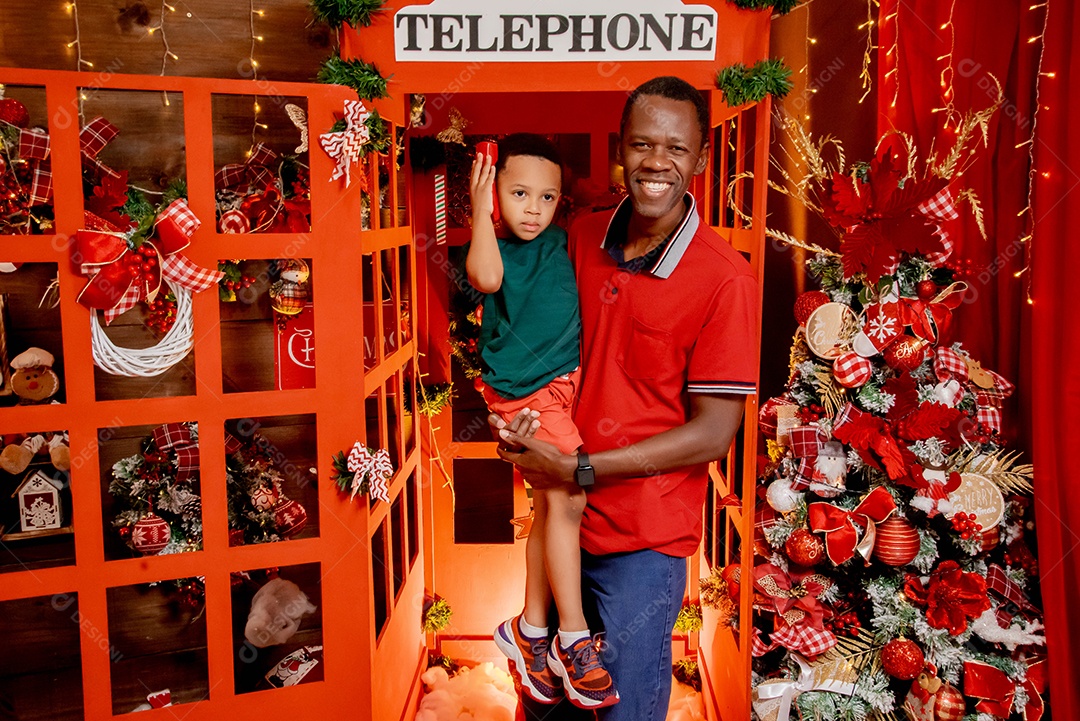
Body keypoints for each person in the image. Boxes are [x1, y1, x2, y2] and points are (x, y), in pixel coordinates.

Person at [495, 77, 760, 720]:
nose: (657, 161)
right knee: (548, 710)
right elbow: (517, 322)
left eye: (676, 147)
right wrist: (520, 421)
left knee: (625, 712)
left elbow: (714, 434)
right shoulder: (578, 238)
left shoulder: (725, 280)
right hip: (562, 526)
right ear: (621, 149)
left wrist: (581, 468)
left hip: (644, 543)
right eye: (642, 143)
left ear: (699, 159)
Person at [466, 133, 619, 710]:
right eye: (519, 193)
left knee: (552, 502)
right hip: (528, 398)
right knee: (573, 496)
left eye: (546, 197)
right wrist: (483, 212)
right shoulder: (496, 247)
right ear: (495, 193)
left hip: (563, 388)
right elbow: (483, 278)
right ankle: (571, 638)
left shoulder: (562, 241)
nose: (532, 208)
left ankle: (529, 630)